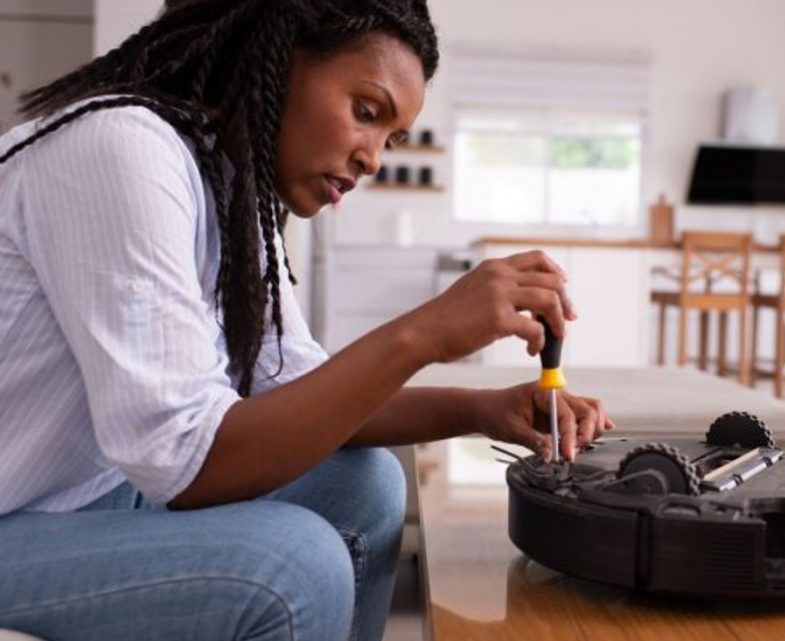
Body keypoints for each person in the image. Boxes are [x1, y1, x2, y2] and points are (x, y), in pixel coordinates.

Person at [0, 1, 613, 640]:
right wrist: (423, 333)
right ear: (280, 55)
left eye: (391, 137)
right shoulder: (119, 148)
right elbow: (187, 464)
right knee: (295, 563)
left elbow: (301, 395)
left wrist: (482, 409)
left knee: (365, 483)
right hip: (17, 520)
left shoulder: (228, 187)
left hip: (83, 495)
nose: (374, 158)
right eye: (366, 112)